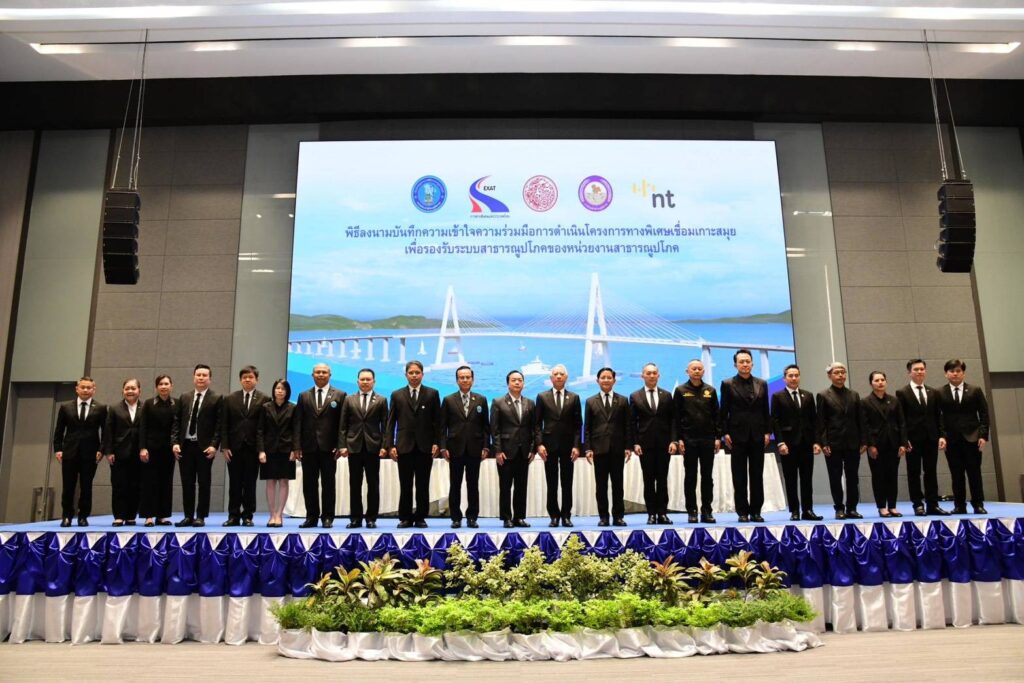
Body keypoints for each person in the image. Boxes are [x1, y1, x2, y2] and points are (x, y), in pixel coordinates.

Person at [386, 360, 441, 528]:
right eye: (411, 373)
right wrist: (390, 445)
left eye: (417, 372)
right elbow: (391, 422)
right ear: (406, 375)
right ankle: (405, 517)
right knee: (406, 484)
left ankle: (420, 517)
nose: (414, 375)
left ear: (422, 374)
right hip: (404, 446)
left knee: (423, 484)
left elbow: (437, 422)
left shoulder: (432, 394)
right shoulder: (397, 395)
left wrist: (437, 443)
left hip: (425, 447)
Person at [719, 349, 771, 523]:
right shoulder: (727, 384)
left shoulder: (762, 383)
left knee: (757, 475)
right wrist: (725, 432)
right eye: (741, 362)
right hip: (736, 436)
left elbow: (765, 410)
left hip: (758, 435)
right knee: (739, 476)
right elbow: (723, 411)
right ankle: (742, 512)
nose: (745, 364)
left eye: (747, 361)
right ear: (735, 364)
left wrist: (767, 432)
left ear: (752, 364)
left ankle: (756, 511)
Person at [293, 363, 346, 528]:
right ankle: (311, 517)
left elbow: (342, 423)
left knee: (328, 484)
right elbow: (298, 422)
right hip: (308, 447)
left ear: (330, 375)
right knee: (309, 484)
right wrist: (296, 446)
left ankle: (328, 517)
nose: (321, 374)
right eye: (317, 372)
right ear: (312, 375)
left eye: (324, 372)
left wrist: (340, 445)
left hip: (330, 448)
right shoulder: (303, 395)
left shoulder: (340, 395)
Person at [895, 359, 949, 516]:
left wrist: (942, 435)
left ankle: (933, 504)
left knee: (931, 472)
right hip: (912, 440)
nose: (919, 372)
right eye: (916, 369)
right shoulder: (902, 392)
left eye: (922, 369)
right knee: (914, 472)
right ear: (909, 372)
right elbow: (901, 419)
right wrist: (904, 440)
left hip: (931, 438)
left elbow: (938, 416)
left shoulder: (933, 392)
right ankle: (918, 504)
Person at [171, 364, 222, 528]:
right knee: (187, 483)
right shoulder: (184, 397)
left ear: (210, 379)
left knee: (204, 482)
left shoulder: (217, 398)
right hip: (185, 446)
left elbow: (219, 424)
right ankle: (188, 516)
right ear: (194, 377)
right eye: (198, 375)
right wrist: (175, 443)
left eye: (204, 375)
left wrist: (214, 445)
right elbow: (177, 422)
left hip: (204, 447)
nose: (201, 378)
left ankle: (200, 516)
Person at [439, 365, 490, 529]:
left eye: (468, 377)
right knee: (455, 485)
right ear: (457, 380)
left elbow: (486, 427)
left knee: (473, 485)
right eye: (462, 377)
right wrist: (443, 447)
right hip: (455, 449)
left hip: (475, 449)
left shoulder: (481, 399)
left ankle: (472, 517)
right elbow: (442, 427)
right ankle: (455, 517)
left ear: (472, 380)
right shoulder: (448, 400)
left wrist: (486, 447)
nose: (465, 380)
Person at [770, 364, 823, 522]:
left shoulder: (808, 395)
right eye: (790, 376)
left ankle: (808, 510)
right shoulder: (778, 396)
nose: (794, 378)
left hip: (806, 443)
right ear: (784, 378)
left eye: (796, 375)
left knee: (807, 479)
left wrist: (816, 441)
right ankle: (794, 511)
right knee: (791, 479)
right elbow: (775, 421)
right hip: (788, 444)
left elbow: (814, 420)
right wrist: (780, 442)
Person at [52, 376, 107, 527]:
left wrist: (101, 450)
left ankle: (83, 516)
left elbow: (105, 432)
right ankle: (66, 516)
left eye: (89, 387)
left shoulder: (101, 408)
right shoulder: (65, 407)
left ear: (94, 390)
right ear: (77, 389)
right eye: (83, 387)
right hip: (69, 452)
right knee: (68, 486)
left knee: (86, 486)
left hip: (91, 453)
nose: (85, 390)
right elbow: (59, 431)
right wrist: (58, 449)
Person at [937, 359, 990, 514]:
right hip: (951, 439)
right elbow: (938, 416)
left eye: (958, 371)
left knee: (974, 473)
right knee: (956, 474)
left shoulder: (975, 390)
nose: (955, 374)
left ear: (963, 373)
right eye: (952, 371)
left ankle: (978, 504)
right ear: (946, 374)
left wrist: (983, 435)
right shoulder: (939, 392)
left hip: (972, 438)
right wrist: (942, 436)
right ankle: (959, 505)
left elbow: (984, 414)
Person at [338, 368, 388, 529]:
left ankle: (371, 518)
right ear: (357, 381)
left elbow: (385, 426)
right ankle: (355, 518)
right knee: (355, 484)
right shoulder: (348, 399)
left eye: (368, 379)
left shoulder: (381, 400)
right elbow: (342, 425)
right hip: (354, 447)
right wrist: (342, 445)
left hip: (373, 447)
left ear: (374, 381)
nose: (365, 382)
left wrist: (385, 446)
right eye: (362, 379)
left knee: (373, 484)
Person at [584, 367, 634, 527]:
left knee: (618, 485)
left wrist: (628, 446)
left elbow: (628, 425)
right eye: (603, 377)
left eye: (609, 377)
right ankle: (603, 517)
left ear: (614, 380)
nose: (606, 380)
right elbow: (587, 427)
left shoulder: (623, 400)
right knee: (601, 486)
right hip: (599, 449)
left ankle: (618, 516)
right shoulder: (590, 401)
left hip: (618, 449)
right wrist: (588, 448)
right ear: (597, 380)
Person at [534, 364, 582, 527]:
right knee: (552, 482)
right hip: (549, 447)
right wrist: (539, 444)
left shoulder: (574, 397)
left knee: (567, 482)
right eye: (556, 374)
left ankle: (566, 515)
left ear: (566, 377)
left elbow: (578, 425)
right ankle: (554, 515)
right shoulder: (542, 397)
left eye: (562, 374)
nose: (559, 376)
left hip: (569, 447)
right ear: (551, 378)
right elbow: (537, 424)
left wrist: (577, 446)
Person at [221, 365, 269, 527]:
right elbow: (224, 424)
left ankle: (248, 516)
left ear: (257, 379)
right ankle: (233, 515)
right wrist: (224, 446)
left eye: (251, 377)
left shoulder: (264, 399)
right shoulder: (230, 398)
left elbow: (265, 426)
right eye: (244, 377)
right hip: (233, 448)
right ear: (240, 380)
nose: (247, 380)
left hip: (253, 448)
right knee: (234, 483)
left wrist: (262, 449)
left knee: (250, 483)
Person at [816, 362, 865, 520]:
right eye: (836, 372)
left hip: (853, 442)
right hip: (833, 443)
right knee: (835, 477)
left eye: (843, 372)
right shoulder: (823, 395)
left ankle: (852, 508)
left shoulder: (854, 395)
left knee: (853, 477)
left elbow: (860, 420)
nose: (840, 375)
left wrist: (863, 441)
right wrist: (824, 443)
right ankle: (839, 508)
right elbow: (821, 422)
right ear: (829, 375)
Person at [630, 362, 677, 525]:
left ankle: (662, 513)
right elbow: (632, 422)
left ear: (658, 375)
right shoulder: (635, 396)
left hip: (664, 444)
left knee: (662, 480)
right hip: (645, 445)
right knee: (648, 480)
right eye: (648, 373)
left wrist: (673, 440)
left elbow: (673, 419)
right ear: (642, 376)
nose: (651, 375)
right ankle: (651, 513)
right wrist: (635, 443)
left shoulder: (667, 395)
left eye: (654, 373)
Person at [673, 359, 720, 523]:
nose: (697, 371)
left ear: (704, 371)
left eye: (700, 368)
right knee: (690, 476)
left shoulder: (710, 390)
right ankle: (692, 511)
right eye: (694, 369)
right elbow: (676, 417)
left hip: (708, 439)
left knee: (707, 476)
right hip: (688, 440)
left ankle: (707, 511)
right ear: (687, 371)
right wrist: (679, 439)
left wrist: (717, 437)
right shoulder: (680, 390)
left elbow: (716, 416)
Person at [490, 370, 537, 528]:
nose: (517, 382)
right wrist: (497, 450)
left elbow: (534, 428)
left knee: (521, 486)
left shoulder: (530, 403)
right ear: (508, 383)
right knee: (505, 487)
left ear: (523, 383)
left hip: (524, 452)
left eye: (520, 380)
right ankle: (506, 518)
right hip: (505, 451)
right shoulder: (498, 402)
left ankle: (519, 517)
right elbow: (494, 429)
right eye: (514, 380)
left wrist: (532, 449)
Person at [860, 371, 908, 517]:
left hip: (893, 443)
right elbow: (865, 425)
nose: (880, 382)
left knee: (892, 475)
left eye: (882, 380)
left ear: (886, 382)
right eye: (876, 380)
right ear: (871, 383)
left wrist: (903, 443)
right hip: (876, 445)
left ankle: (892, 506)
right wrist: (870, 445)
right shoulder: (865, 402)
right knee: (878, 476)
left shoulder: (894, 400)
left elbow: (902, 422)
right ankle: (881, 506)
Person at [257, 379, 297, 528]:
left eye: (283, 389)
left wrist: (295, 449)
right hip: (269, 450)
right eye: (277, 388)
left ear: (287, 392)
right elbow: (260, 430)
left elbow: (296, 430)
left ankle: (279, 514)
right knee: (271, 482)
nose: (280, 391)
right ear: (274, 390)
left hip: (287, 450)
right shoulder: (265, 407)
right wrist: (261, 450)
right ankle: (272, 514)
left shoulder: (293, 408)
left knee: (284, 482)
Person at [138, 375, 176, 527]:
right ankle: (148, 516)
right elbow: (143, 427)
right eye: (160, 384)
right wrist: (142, 448)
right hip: (151, 449)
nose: (164, 386)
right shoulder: (148, 404)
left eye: (166, 384)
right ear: (156, 387)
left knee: (166, 482)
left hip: (169, 450)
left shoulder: (177, 404)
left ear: (171, 386)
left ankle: (162, 516)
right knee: (149, 483)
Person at [104, 377, 142, 527]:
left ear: (139, 390)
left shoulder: (145, 407)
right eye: (127, 388)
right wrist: (108, 451)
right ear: (123, 390)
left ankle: (131, 516)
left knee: (135, 485)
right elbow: (108, 431)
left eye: (133, 388)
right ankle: (119, 516)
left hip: (139, 453)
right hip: (119, 453)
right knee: (119, 485)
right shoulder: (114, 408)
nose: (130, 391)